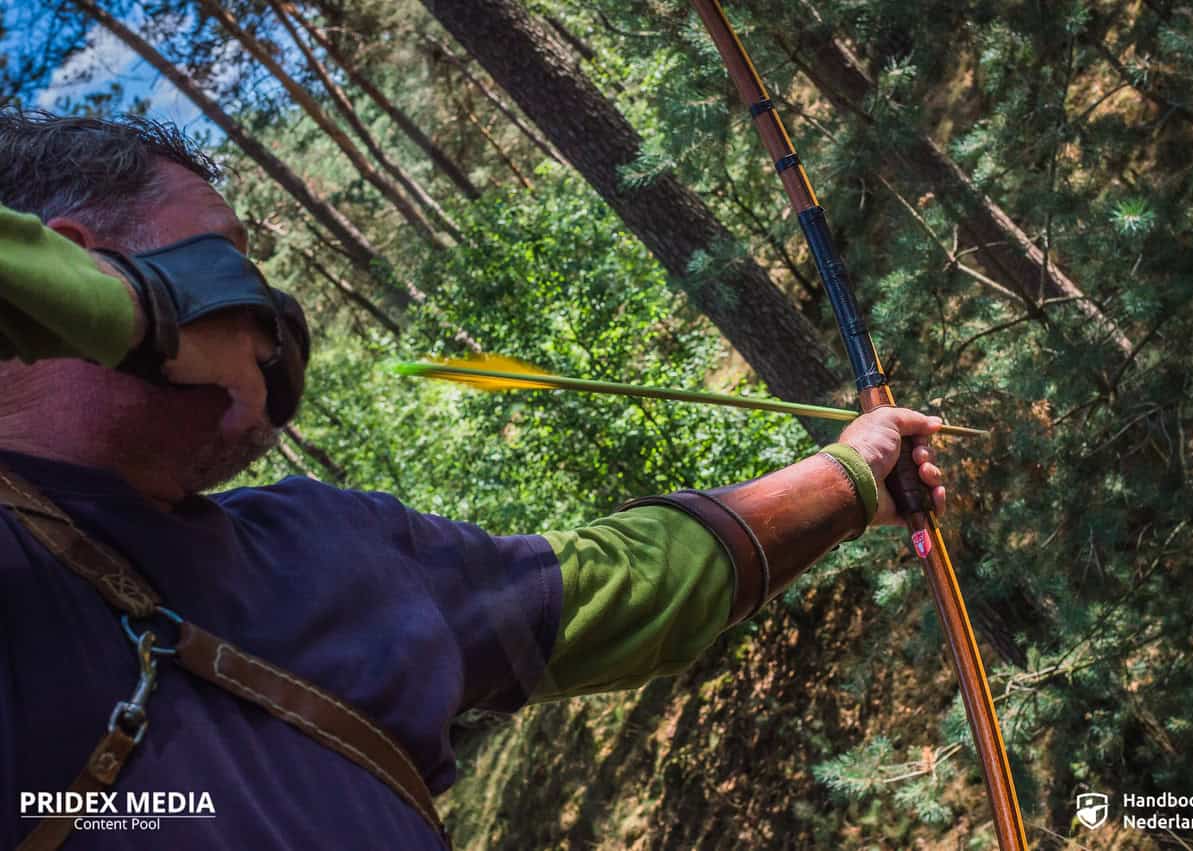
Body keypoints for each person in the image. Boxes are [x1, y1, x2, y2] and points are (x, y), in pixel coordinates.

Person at [0, 112, 946, 850]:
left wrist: (852, 472)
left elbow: (624, 582)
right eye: (228, 255)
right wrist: (125, 311)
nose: (267, 305)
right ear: (79, 265)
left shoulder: (323, 543)